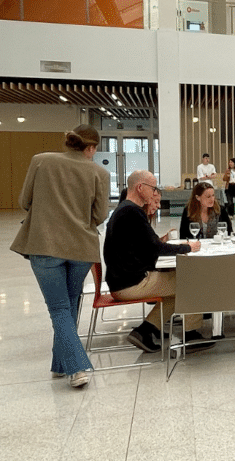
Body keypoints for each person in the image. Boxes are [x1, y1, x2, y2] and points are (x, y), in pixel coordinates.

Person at [10, 125, 109, 389]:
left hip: (45, 244)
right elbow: (100, 215)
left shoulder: (40, 161)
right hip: (81, 248)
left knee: (59, 307)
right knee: (70, 303)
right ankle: (65, 365)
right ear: (91, 148)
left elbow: (24, 201)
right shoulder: (99, 173)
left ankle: (72, 367)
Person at [104, 170, 208, 354]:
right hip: (131, 283)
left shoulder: (125, 209)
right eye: (152, 188)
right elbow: (156, 247)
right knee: (193, 280)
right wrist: (188, 247)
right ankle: (191, 335)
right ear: (140, 187)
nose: (154, 193)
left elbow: (146, 246)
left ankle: (145, 331)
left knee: (177, 287)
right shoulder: (131, 211)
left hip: (122, 281)